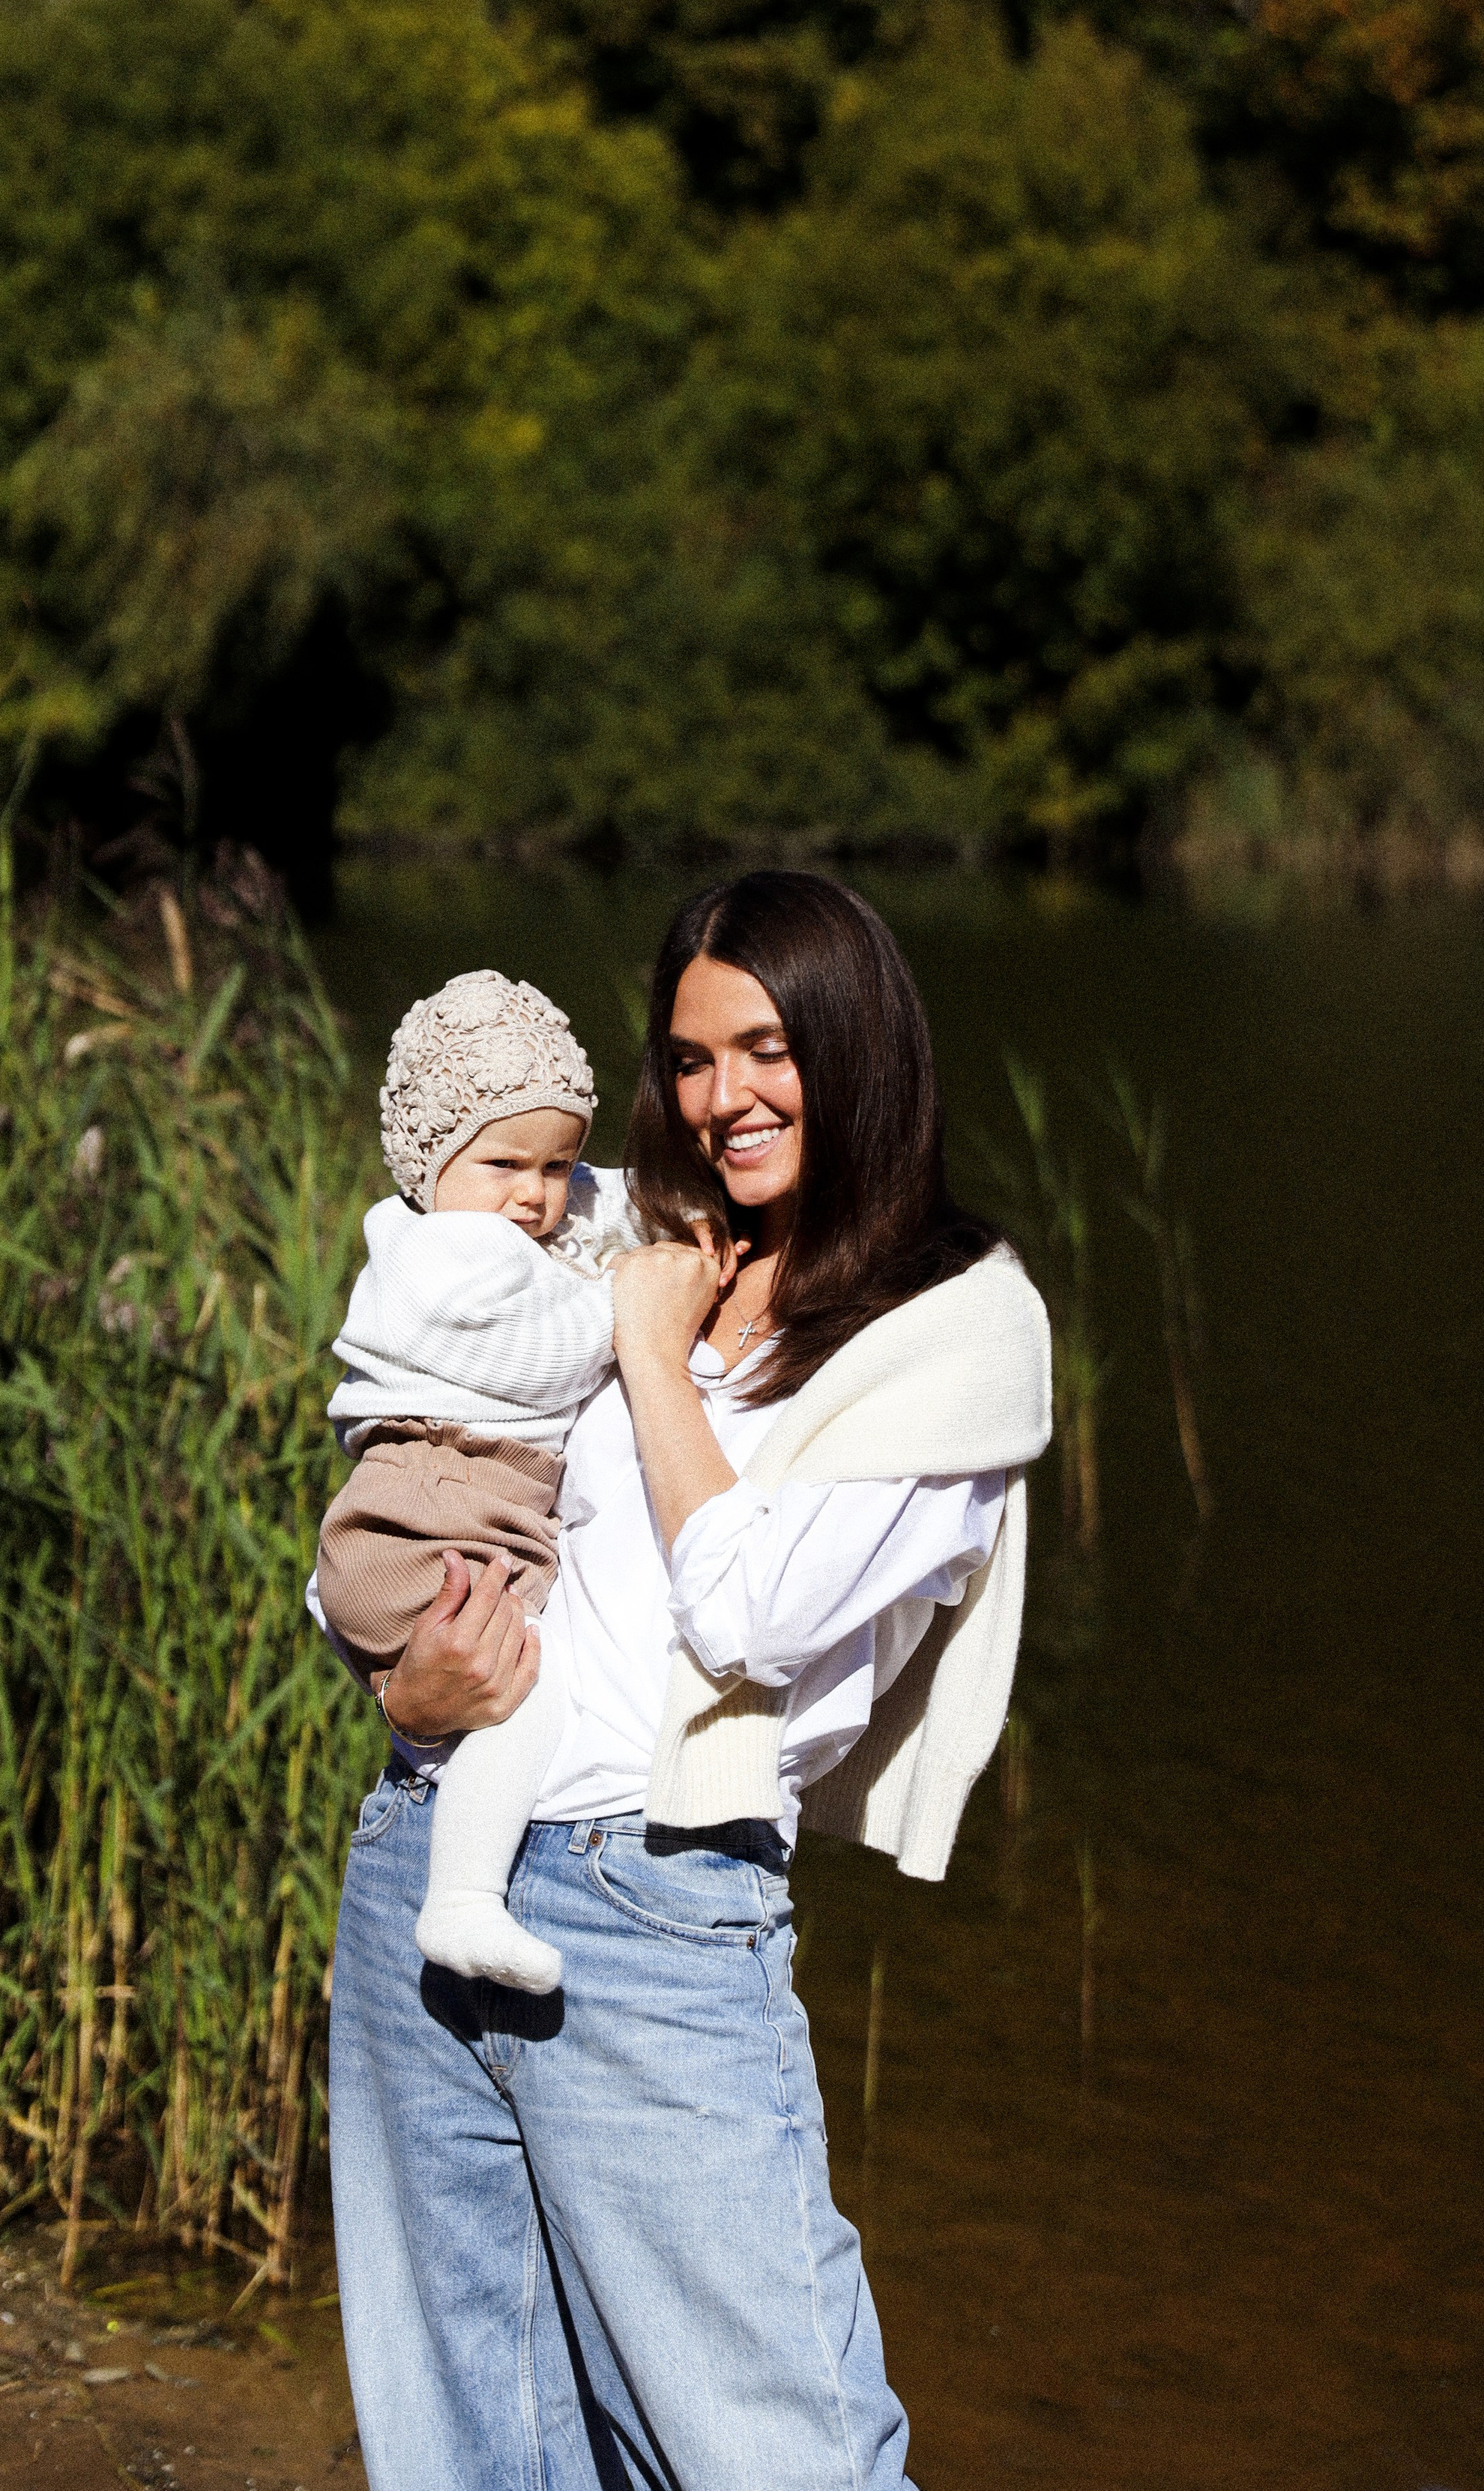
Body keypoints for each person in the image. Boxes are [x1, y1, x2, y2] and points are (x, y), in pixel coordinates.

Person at [325, 873, 1052, 2491]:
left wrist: (653, 1357)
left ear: (858, 1051)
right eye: (690, 1058)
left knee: (777, 2456)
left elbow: (744, 1613)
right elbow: (414, 1446)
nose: (724, 1098)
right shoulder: (619, 1230)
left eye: (767, 1048)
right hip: (426, 1862)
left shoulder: (957, 1330)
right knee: (466, 2450)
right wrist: (397, 1671)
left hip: (653, 1917)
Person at [313, 968, 636, 1993]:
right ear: (431, 1160)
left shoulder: (477, 1221)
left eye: (560, 1164)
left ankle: (462, 1899)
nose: (538, 1195)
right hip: (438, 1513)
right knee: (525, 1695)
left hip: (425, 1515)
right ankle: (460, 1903)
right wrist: (629, 1301)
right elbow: (541, 1359)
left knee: (510, 1692)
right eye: (506, 1163)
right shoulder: (450, 1257)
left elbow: (606, 1200)